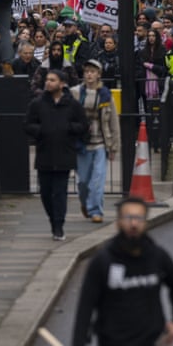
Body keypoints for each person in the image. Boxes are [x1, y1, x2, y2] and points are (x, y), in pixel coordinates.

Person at [70, 197, 173, 346]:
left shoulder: (157, 256)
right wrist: (78, 342)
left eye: (139, 218)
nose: (133, 224)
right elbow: (86, 306)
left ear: (145, 222)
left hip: (152, 340)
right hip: (113, 341)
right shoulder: (103, 261)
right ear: (118, 222)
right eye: (128, 217)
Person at [26, 70, 87, 240]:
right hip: (44, 153)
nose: (48, 83)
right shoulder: (37, 104)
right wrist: (41, 131)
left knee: (60, 193)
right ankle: (53, 219)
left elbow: (83, 125)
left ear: (62, 84)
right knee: (45, 193)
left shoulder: (72, 105)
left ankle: (58, 225)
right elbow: (28, 124)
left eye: (52, 80)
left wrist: (69, 129)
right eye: (47, 80)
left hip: (64, 153)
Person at [72, 60, 120, 223]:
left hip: (100, 142)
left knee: (98, 181)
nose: (89, 74)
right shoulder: (75, 93)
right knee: (83, 182)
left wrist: (114, 146)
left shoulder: (106, 94)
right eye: (86, 71)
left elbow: (113, 121)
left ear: (99, 74)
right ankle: (85, 203)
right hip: (82, 144)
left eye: (92, 71)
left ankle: (96, 210)